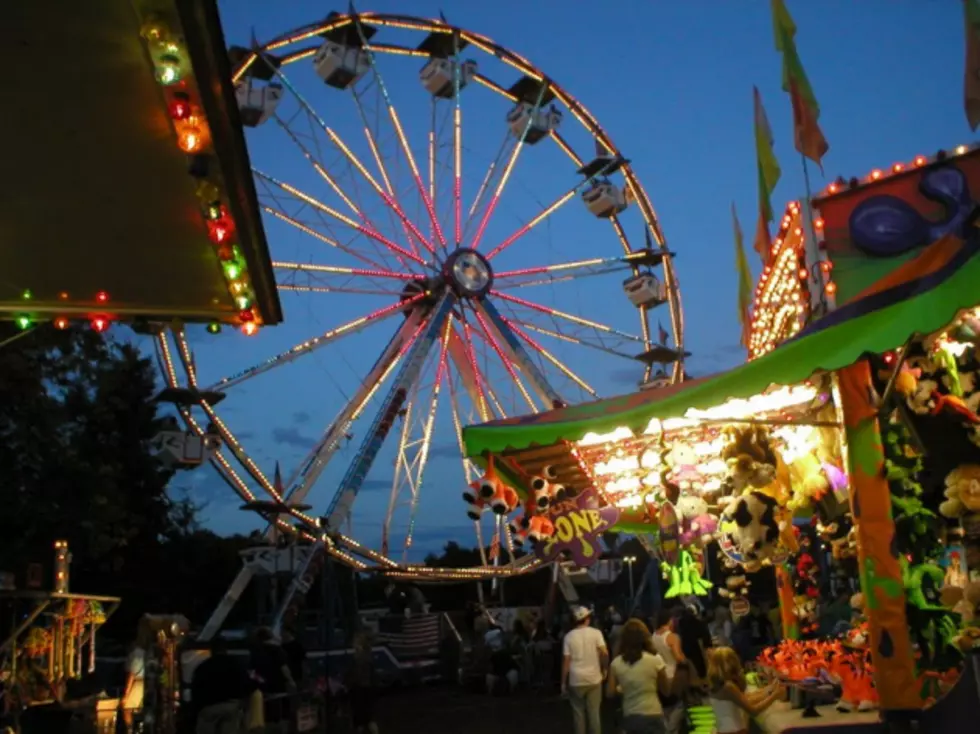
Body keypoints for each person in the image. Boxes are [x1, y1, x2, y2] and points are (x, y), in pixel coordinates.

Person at [606, 619, 677, 734]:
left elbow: (609, 693)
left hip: (630, 717)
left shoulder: (616, 663)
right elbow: (666, 691)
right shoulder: (656, 660)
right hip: (653, 715)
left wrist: (624, 689)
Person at [706, 647, 784, 734]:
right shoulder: (728, 687)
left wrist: (769, 690)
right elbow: (753, 711)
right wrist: (774, 696)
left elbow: (745, 699)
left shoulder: (715, 685)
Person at [191, 638, 253, 734]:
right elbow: (247, 684)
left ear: (212, 650)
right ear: (225, 650)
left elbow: (195, 689)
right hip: (231, 706)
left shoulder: (203, 667)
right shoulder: (236, 664)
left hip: (209, 707)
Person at [561, 606, 608, 734]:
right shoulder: (596, 633)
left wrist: (563, 683)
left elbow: (566, 661)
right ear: (587, 619)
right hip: (594, 678)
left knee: (578, 715)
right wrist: (605, 669)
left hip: (576, 680)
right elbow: (604, 653)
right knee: (594, 713)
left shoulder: (568, 637)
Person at [249, 627, 297, 725]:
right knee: (281, 713)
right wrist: (290, 681)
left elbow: (253, 672)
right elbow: (284, 668)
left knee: (267, 714)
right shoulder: (277, 650)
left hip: (263, 687)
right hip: (278, 686)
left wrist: (261, 681)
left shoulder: (255, 651)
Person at [651, 609, 686, 734]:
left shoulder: (653, 635)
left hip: (658, 675)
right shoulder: (672, 637)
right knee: (677, 704)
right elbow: (678, 657)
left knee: (664, 706)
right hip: (672, 674)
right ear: (669, 620)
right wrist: (686, 661)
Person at [347, 631, 378, 734]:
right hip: (366, 688)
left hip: (360, 689)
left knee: (361, 718)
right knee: (368, 718)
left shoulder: (360, 657)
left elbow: (356, 674)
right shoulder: (367, 655)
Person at [121, 639, 146, 729]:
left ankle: (130, 730)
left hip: (138, 682)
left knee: (127, 708)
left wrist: (126, 695)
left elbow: (131, 674)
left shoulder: (136, 653)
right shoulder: (140, 652)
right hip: (141, 682)